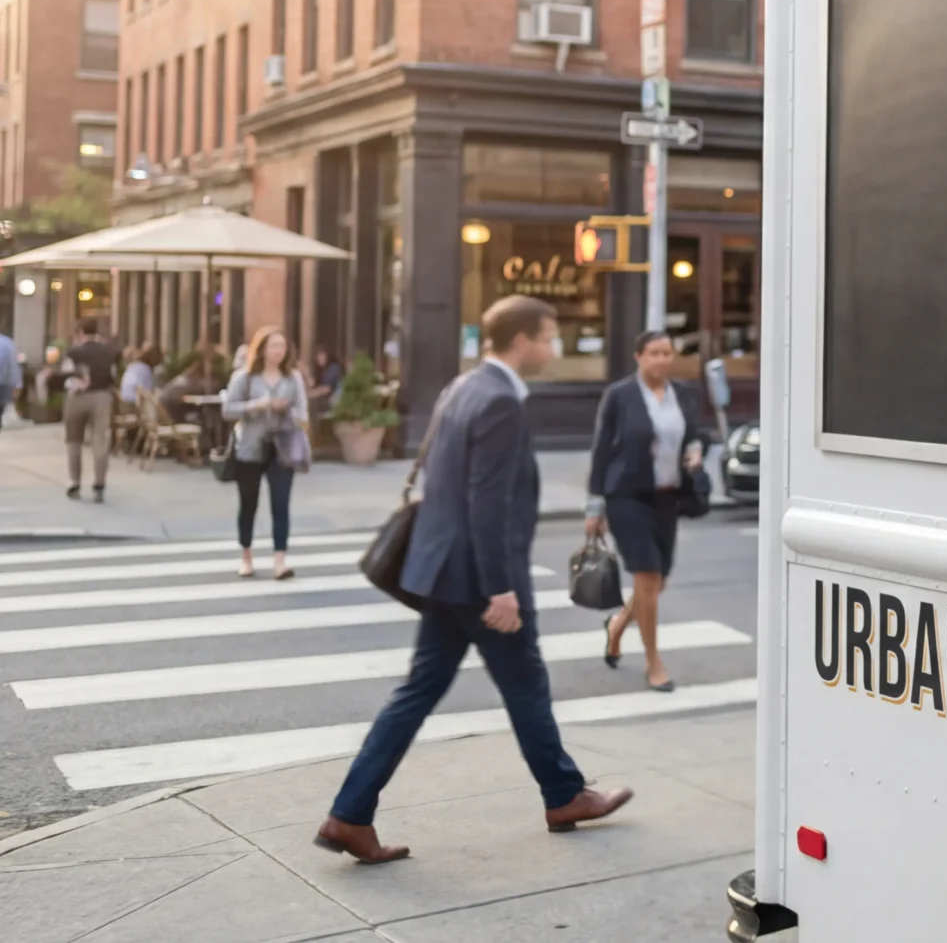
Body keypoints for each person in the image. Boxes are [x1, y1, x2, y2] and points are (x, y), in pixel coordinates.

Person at [314, 295, 630, 864]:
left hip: (444, 571)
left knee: (420, 690)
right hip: (480, 577)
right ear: (521, 340)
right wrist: (500, 587)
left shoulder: (462, 387)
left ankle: (349, 815)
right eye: (549, 336)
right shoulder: (500, 401)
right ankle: (564, 795)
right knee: (524, 683)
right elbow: (488, 503)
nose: (554, 347)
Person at [586, 330, 711, 692]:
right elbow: (601, 451)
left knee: (658, 582)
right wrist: (594, 506)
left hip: (667, 498)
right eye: (653, 353)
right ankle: (653, 661)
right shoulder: (619, 395)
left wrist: (696, 451)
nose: (661, 359)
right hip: (626, 497)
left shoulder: (685, 393)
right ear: (638, 356)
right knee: (646, 576)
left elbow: (697, 434)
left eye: (666, 353)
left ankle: (617, 626)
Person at [222, 328, 311, 580]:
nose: (279, 351)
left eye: (282, 346)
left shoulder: (293, 378)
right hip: (250, 448)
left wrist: (287, 411)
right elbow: (228, 410)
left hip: (282, 448)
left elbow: (303, 414)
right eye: (274, 346)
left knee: (281, 504)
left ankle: (279, 561)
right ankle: (246, 557)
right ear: (261, 349)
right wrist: (257, 405)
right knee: (248, 503)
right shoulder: (244, 377)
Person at [59, 320, 122, 501]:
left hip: (77, 397)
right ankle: (99, 485)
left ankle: (75, 482)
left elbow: (67, 375)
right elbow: (113, 375)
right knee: (100, 441)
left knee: (74, 441)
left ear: (80, 332)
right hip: (102, 397)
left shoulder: (73, 352)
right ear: (96, 331)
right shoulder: (109, 352)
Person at [307, 346, 344, 417]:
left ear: (327, 356)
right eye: (318, 356)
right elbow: (314, 384)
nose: (320, 359)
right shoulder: (323, 370)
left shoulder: (333, 368)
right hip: (329, 400)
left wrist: (310, 394)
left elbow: (326, 389)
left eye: (322, 356)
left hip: (335, 401)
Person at [0, 327, 19, 427]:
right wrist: (16, 384)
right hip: (4, 384)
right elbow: (13, 366)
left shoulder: (7, 343)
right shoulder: (8, 343)